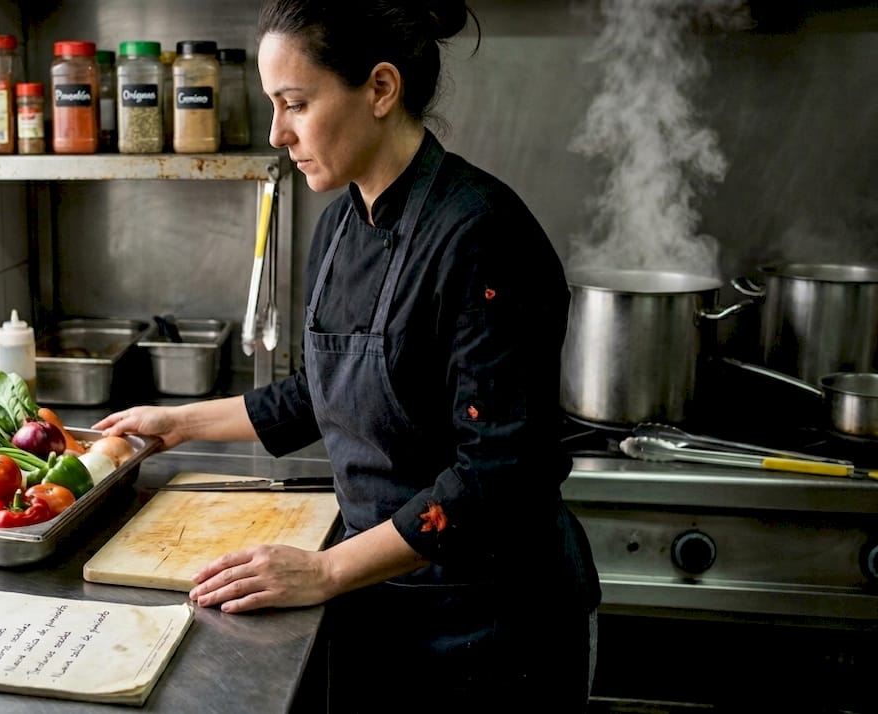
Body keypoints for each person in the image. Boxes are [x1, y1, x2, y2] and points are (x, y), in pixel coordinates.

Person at [94, 0, 601, 709]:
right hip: (383, 604)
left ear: (381, 89)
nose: (278, 133)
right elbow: (326, 388)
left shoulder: (482, 236)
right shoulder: (338, 225)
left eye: (296, 104)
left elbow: (496, 478)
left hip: (493, 629)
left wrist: (326, 571)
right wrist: (180, 423)